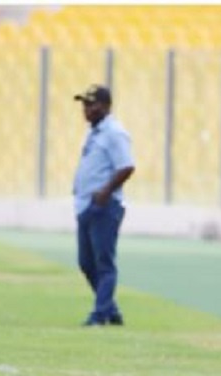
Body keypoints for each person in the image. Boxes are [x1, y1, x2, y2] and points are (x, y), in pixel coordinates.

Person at [72, 85, 135, 326]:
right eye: (84, 104)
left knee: (103, 263)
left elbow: (127, 166)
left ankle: (99, 314)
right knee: (86, 263)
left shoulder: (114, 133)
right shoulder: (95, 131)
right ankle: (111, 310)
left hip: (105, 206)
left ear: (106, 106)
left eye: (91, 104)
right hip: (87, 205)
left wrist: (105, 192)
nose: (86, 109)